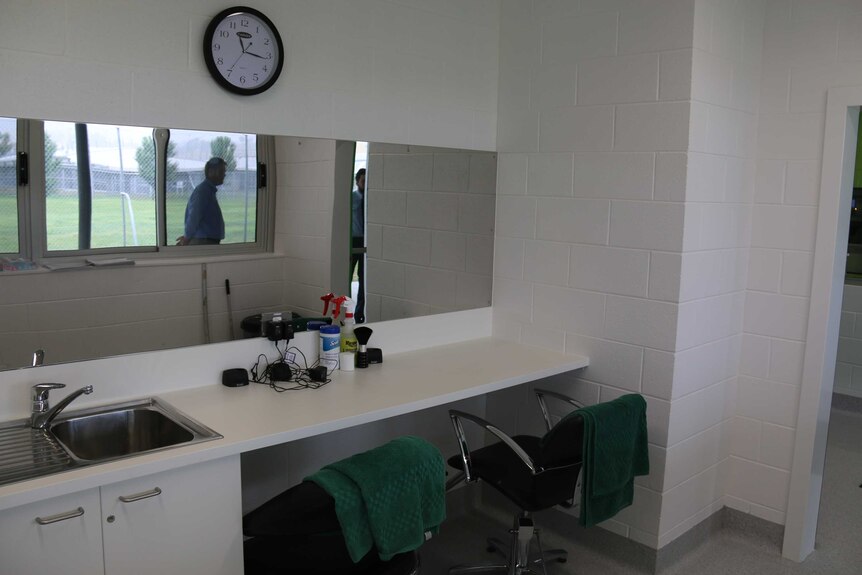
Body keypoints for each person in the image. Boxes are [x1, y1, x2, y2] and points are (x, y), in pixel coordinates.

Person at [176, 157, 227, 246]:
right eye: (221, 171)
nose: (224, 174)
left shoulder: (208, 191)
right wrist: (187, 238)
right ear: (211, 172)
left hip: (207, 240)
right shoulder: (202, 192)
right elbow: (194, 217)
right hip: (204, 242)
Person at [350, 168, 366, 322]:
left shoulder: (371, 200)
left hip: (366, 241)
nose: (365, 184)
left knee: (364, 278)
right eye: (362, 181)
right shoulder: (352, 198)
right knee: (347, 275)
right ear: (356, 182)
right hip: (353, 240)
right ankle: (345, 311)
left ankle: (359, 313)